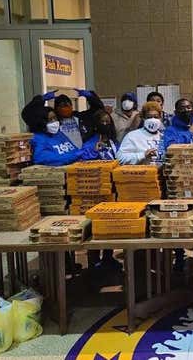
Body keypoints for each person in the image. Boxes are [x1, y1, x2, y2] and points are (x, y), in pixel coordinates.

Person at [161, 98, 193, 272]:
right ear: (176, 111)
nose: (187, 110)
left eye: (189, 107)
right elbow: (169, 150)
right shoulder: (171, 130)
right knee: (181, 218)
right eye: (182, 108)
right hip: (180, 179)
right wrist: (189, 134)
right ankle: (180, 256)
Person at [80, 110, 122, 271]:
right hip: (96, 188)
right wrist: (94, 152)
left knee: (110, 223)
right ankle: (93, 260)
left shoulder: (113, 141)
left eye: (107, 122)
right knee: (94, 225)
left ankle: (108, 256)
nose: (105, 124)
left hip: (113, 187)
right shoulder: (90, 142)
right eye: (102, 122)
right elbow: (83, 163)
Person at [22, 92, 83, 166]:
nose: (55, 122)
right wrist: (76, 155)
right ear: (42, 122)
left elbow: (74, 150)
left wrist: (82, 152)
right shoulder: (38, 138)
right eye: (50, 119)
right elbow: (42, 158)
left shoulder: (59, 134)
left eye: (55, 118)